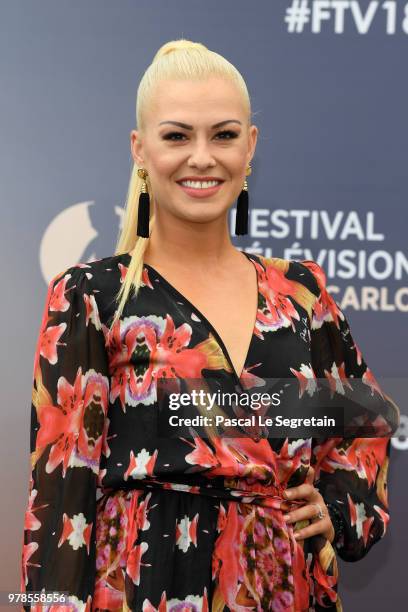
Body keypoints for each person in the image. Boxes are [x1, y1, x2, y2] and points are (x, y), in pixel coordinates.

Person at [20, 39, 399, 612]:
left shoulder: (300, 293)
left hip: (281, 587)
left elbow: (365, 419)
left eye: (223, 135)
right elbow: (60, 499)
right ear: (140, 149)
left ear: (250, 147)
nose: (202, 157)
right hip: (143, 588)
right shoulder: (92, 295)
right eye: (177, 136)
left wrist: (338, 504)